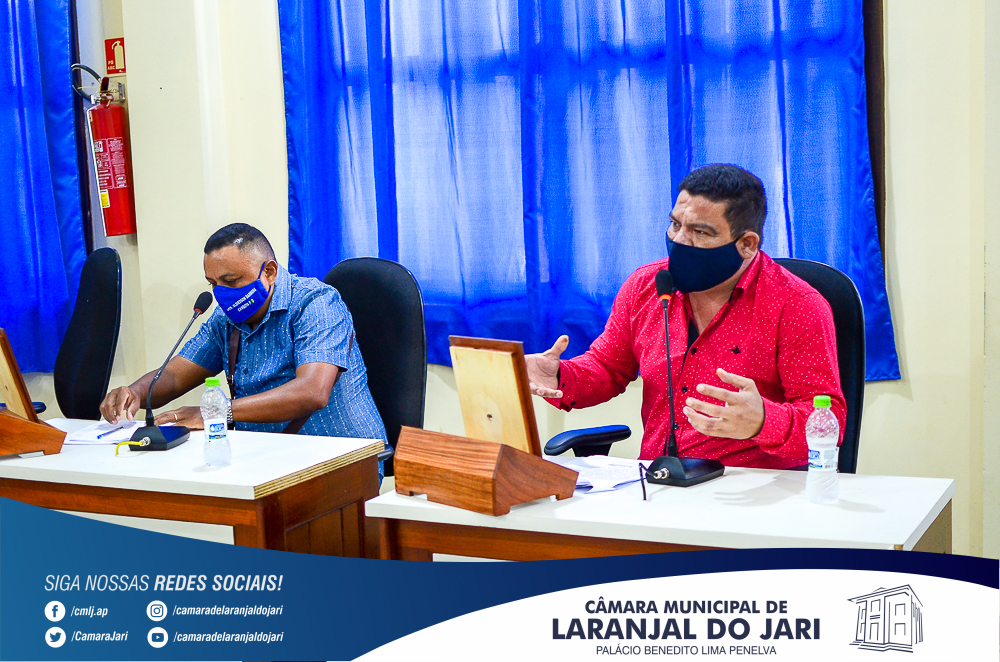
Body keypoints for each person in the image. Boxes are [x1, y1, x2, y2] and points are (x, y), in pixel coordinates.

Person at [525, 164, 846, 469]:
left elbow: (829, 421)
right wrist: (559, 376)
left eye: (700, 231)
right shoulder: (646, 286)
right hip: (660, 481)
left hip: (752, 487)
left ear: (747, 244)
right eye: (676, 224)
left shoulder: (796, 305)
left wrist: (764, 421)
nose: (679, 241)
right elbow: (607, 369)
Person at [99, 223, 388, 477]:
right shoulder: (224, 320)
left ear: (269, 272)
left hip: (340, 459)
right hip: (263, 457)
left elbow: (312, 391)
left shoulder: (316, 303)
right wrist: (135, 392)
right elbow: (176, 375)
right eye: (213, 284)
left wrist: (217, 412)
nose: (221, 293)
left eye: (231, 281)